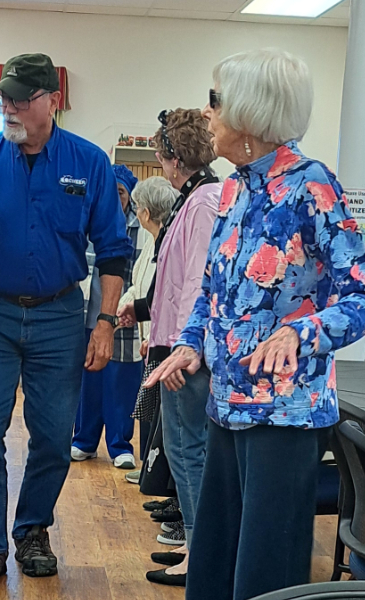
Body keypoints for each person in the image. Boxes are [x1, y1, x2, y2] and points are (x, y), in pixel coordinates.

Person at [146, 48, 365, 600]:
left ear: (251, 111)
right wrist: (190, 344)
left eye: (215, 100)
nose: (206, 113)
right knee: (212, 568)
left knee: (264, 576)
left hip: (286, 417)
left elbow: (364, 297)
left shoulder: (311, 186)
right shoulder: (232, 188)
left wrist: (301, 332)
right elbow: (212, 290)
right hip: (226, 408)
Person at [0, 52, 133, 590]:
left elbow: (113, 251)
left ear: (52, 101)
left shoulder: (88, 162)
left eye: (23, 98)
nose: (10, 107)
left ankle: (32, 530)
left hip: (60, 315)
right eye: (5, 97)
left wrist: (105, 322)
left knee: (51, 436)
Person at [118, 108, 221, 584]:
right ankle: (194, 545)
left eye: (161, 156)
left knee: (189, 451)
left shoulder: (203, 202)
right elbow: (170, 281)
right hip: (174, 342)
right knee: (181, 451)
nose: (160, 163)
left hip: (187, 352)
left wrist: (184, 347)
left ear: (174, 158)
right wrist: (144, 312)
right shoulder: (191, 198)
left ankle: (201, 555)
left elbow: (198, 282)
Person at [71, 164, 144, 470]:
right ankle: (83, 441)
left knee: (121, 384)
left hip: (123, 317)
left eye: (121, 192)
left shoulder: (139, 227)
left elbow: (141, 275)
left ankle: (120, 445)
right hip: (88, 314)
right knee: (88, 381)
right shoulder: (86, 219)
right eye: (110, 191)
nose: (115, 198)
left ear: (130, 196)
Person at [118, 176, 177, 480]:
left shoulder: (168, 244)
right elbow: (138, 286)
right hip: (149, 340)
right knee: (150, 409)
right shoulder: (151, 243)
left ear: (146, 212)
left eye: (139, 206)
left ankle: (156, 476)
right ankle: (148, 470)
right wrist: (125, 306)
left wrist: (153, 335)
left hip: (162, 343)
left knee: (159, 413)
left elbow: (164, 299)